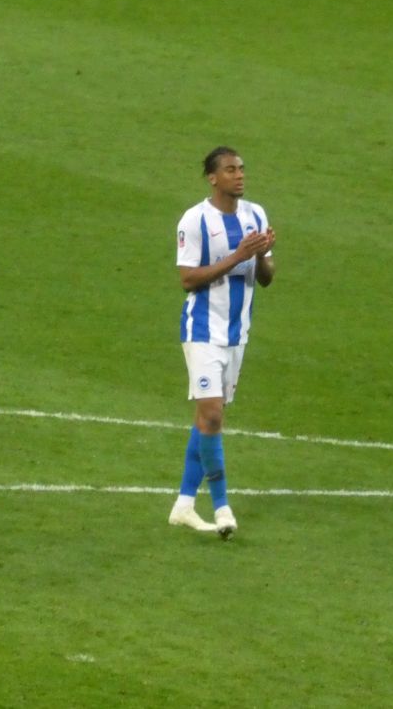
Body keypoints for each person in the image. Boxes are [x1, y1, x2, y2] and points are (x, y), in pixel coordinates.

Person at [169, 146, 275, 538]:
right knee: (212, 415)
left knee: (208, 419)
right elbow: (187, 279)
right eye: (230, 170)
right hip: (202, 330)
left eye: (242, 168)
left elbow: (266, 278)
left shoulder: (256, 214)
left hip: (237, 333)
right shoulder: (195, 220)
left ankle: (183, 504)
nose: (239, 175)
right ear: (213, 178)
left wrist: (262, 256)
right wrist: (237, 256)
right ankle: (222, 507)